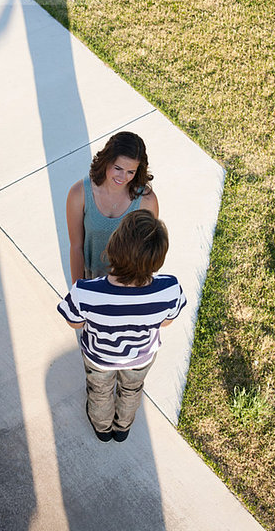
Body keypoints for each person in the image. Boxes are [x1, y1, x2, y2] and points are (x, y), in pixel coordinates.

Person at [57, 210, 187, 443]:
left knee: (100, 392)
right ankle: (122, 426)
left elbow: (73, 322)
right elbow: (167, 321)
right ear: (158, 260)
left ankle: (102, 427)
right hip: (141, 356)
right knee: (131, 390)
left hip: (99, 358)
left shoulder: (86, 292)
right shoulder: (169, 288)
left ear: (112, 248)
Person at [66, 131, 159, 284]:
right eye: (118, 168)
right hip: (91, 281)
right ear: (106, 161)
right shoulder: (79, 193)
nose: (123, 177)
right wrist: (77, 290)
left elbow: (147, 254)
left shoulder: (147, 201)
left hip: (128, 285)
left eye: (131, 172)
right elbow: (76, 247)